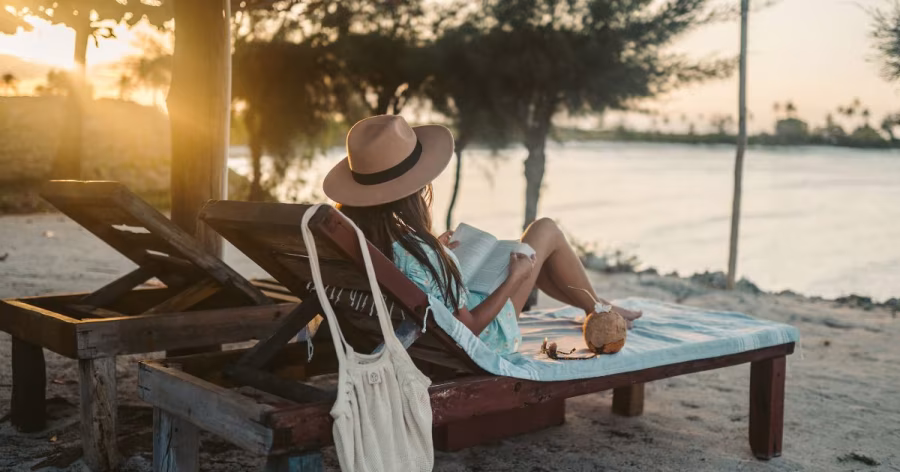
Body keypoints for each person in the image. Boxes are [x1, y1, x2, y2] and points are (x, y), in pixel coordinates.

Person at [323, 115, 642, 354]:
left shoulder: (358, 241)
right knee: (543, 231)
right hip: (481, 338)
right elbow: (469, 328)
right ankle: (598, 308)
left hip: (409, 336)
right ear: (415, 190)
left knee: (535, 255)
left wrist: (436, 251)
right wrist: (514, 280)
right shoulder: (416, 252)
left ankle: (598, 305)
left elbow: (413, 278)